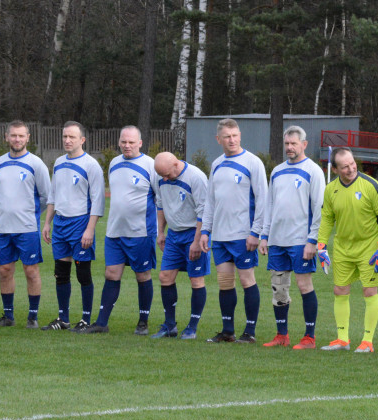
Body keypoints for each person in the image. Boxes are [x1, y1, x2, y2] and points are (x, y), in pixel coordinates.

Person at [316, 148, 378, 352]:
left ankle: (367, 341)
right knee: (339, 290)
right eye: (345, 167)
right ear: (336, 169)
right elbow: (327, 218)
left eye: (352, 164)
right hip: (342, 248)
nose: (351, 169)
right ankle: (343, 339)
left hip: (369, 247)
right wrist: (321, 246)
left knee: (369, 291)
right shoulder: (330, 189)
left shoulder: (371, 185)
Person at [200, 119, 268, 343]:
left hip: (243, 235)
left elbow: (263, 200)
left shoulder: (252, 162)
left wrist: (255, 232)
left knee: (247, 280)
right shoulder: (217, 164)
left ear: (240, 136)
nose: (232, 140)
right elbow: (210, 202)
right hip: (220, 236)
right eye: (227, 137)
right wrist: (205, 231)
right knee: (225, 282)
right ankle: (227, 330)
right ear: (219, 139)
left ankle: (249, 332)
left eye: (235, 135)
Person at [258, 126, 324, 349]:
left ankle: (309, 337)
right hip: (277, 241)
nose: (289, 147)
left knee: (304, 285)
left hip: (300, 241)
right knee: (278, 287)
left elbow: (319, 208)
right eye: (287, 143)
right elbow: (269, 205)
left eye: (293, 143)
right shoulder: (276, 171)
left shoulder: (313, 171)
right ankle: (281, 335)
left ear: (304, 145)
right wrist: (264, 235)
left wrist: (312, 240)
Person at [87, 126, 157, 335]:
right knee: (111, 274)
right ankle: (101, 323)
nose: (127, 146)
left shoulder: (150, 165)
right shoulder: (114, 164)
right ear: (119, 142)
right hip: (115, 231)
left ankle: (143, 322)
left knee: (142, 275)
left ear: (140, 143)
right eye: (124, 142)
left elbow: (159, 198)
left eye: (131, 142)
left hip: (140, 232)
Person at [41, 121, 105, 331]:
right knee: (61, 272)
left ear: (82, 140)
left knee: (82, 273)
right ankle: (63, 319)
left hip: (80, 224)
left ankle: (86, 319)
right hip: (60, 223)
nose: (67, 141)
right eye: (65, 137)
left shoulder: (91, 165)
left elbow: (98, 200)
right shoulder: (59, 162)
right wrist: (47, 222)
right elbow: (53, 195)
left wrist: (90, 229)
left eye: (72, 137)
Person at [0, 120, 52, 328]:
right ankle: (8, 317)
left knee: (31, 271)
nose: (17, 139)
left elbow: (47, 197)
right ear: (6, 137)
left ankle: (32, 317)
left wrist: (31, 214)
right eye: (13, 135)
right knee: (5, 270)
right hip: (2, 228)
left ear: (28, 138)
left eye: (21, 136)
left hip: (27, 228)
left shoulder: (36, 164)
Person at [152, 152, 210, 338]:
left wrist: (196, 240)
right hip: (173, 235)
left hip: (194, 233)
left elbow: (204, 210)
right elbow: (160, 205)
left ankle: (192, 327)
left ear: (177, 164)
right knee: (165, 276)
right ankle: (170, 326)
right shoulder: (161, 177)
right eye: (162, 176)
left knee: (196, 279)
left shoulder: (196, 177)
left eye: (167, 174)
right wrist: (161, 232)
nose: (165, 179)